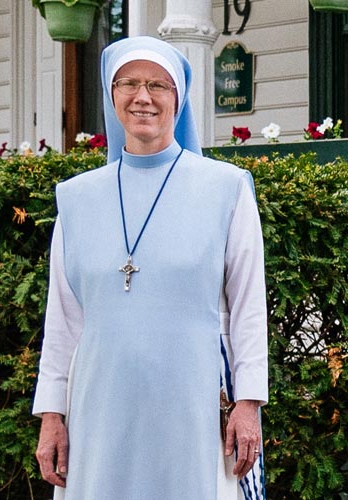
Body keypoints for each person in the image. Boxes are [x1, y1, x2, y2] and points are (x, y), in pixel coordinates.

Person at [33, 35, 268, 500]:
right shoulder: (77, 199)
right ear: (112, 94)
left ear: (179, 98)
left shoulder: (226, 189)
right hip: (99, 406)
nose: (143, 97)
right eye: (130, 84)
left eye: (158, 85)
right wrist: (52, 415)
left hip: (194, 403)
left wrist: (249, 402)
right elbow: (63, 318)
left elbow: (247, 305)